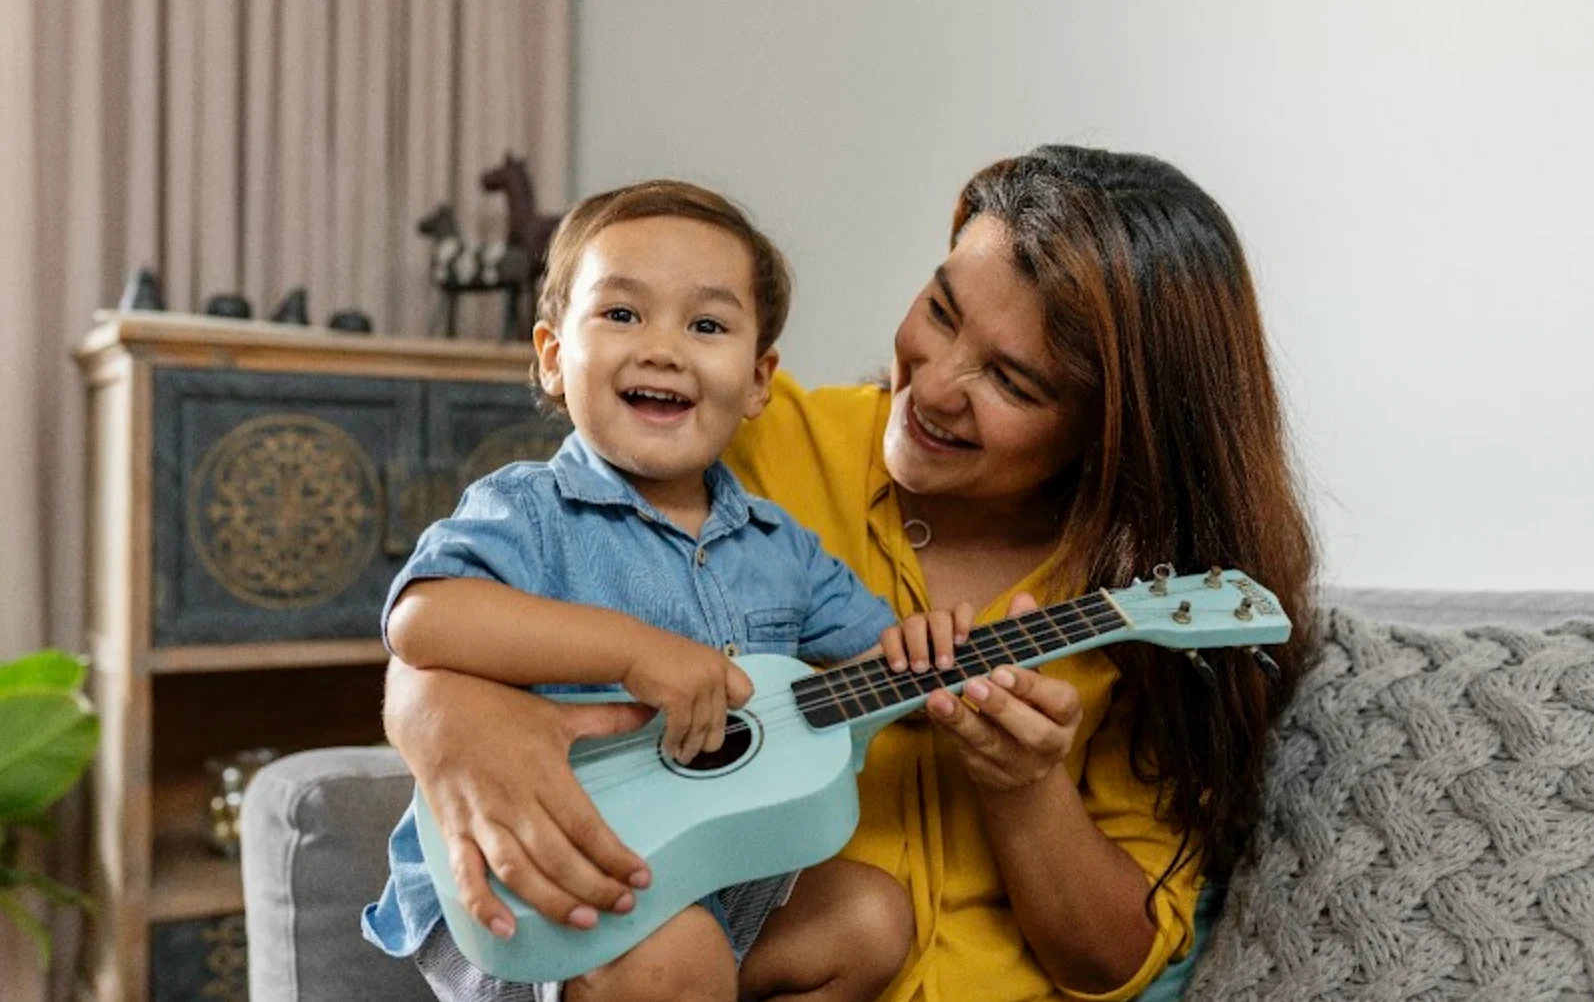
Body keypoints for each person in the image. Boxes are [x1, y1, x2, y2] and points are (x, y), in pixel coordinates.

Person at [380, 145, 1319, 1002]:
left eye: (1014, 381)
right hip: (608, 911)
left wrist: (1023, 781)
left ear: (1113, 428)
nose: (937, 382)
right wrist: (449, 716)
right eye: (942, 310)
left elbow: (1111, 958)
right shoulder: (732, 437)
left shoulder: (1116, 596)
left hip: (807, 941)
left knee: (870, 918)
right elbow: (439, 617)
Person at [363, 179, 976, 1001]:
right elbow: (424, 619)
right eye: (622, 314)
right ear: (551, 355)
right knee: (676, 955)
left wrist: (933, 654)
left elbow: (881, 653)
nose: (662, 347)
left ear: (759, 379)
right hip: (543, 879)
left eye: (707, 324)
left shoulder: (781, 544)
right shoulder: (530, 509)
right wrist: (633, 650)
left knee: (872, 916)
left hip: (714, 877)